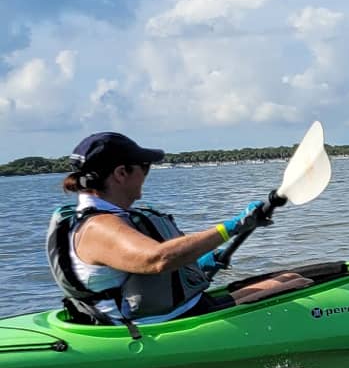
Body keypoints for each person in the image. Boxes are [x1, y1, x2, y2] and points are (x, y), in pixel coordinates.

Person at [46, 131, 310, 328]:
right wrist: (232, 226)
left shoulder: (107, 217)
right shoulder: (100, 227)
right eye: (145, 167)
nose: (147, 174)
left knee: (287, 278)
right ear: (121, 173)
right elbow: (157, 258)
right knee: (300, 285)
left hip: (173, 311)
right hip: (158, 325)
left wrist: (203, 263)